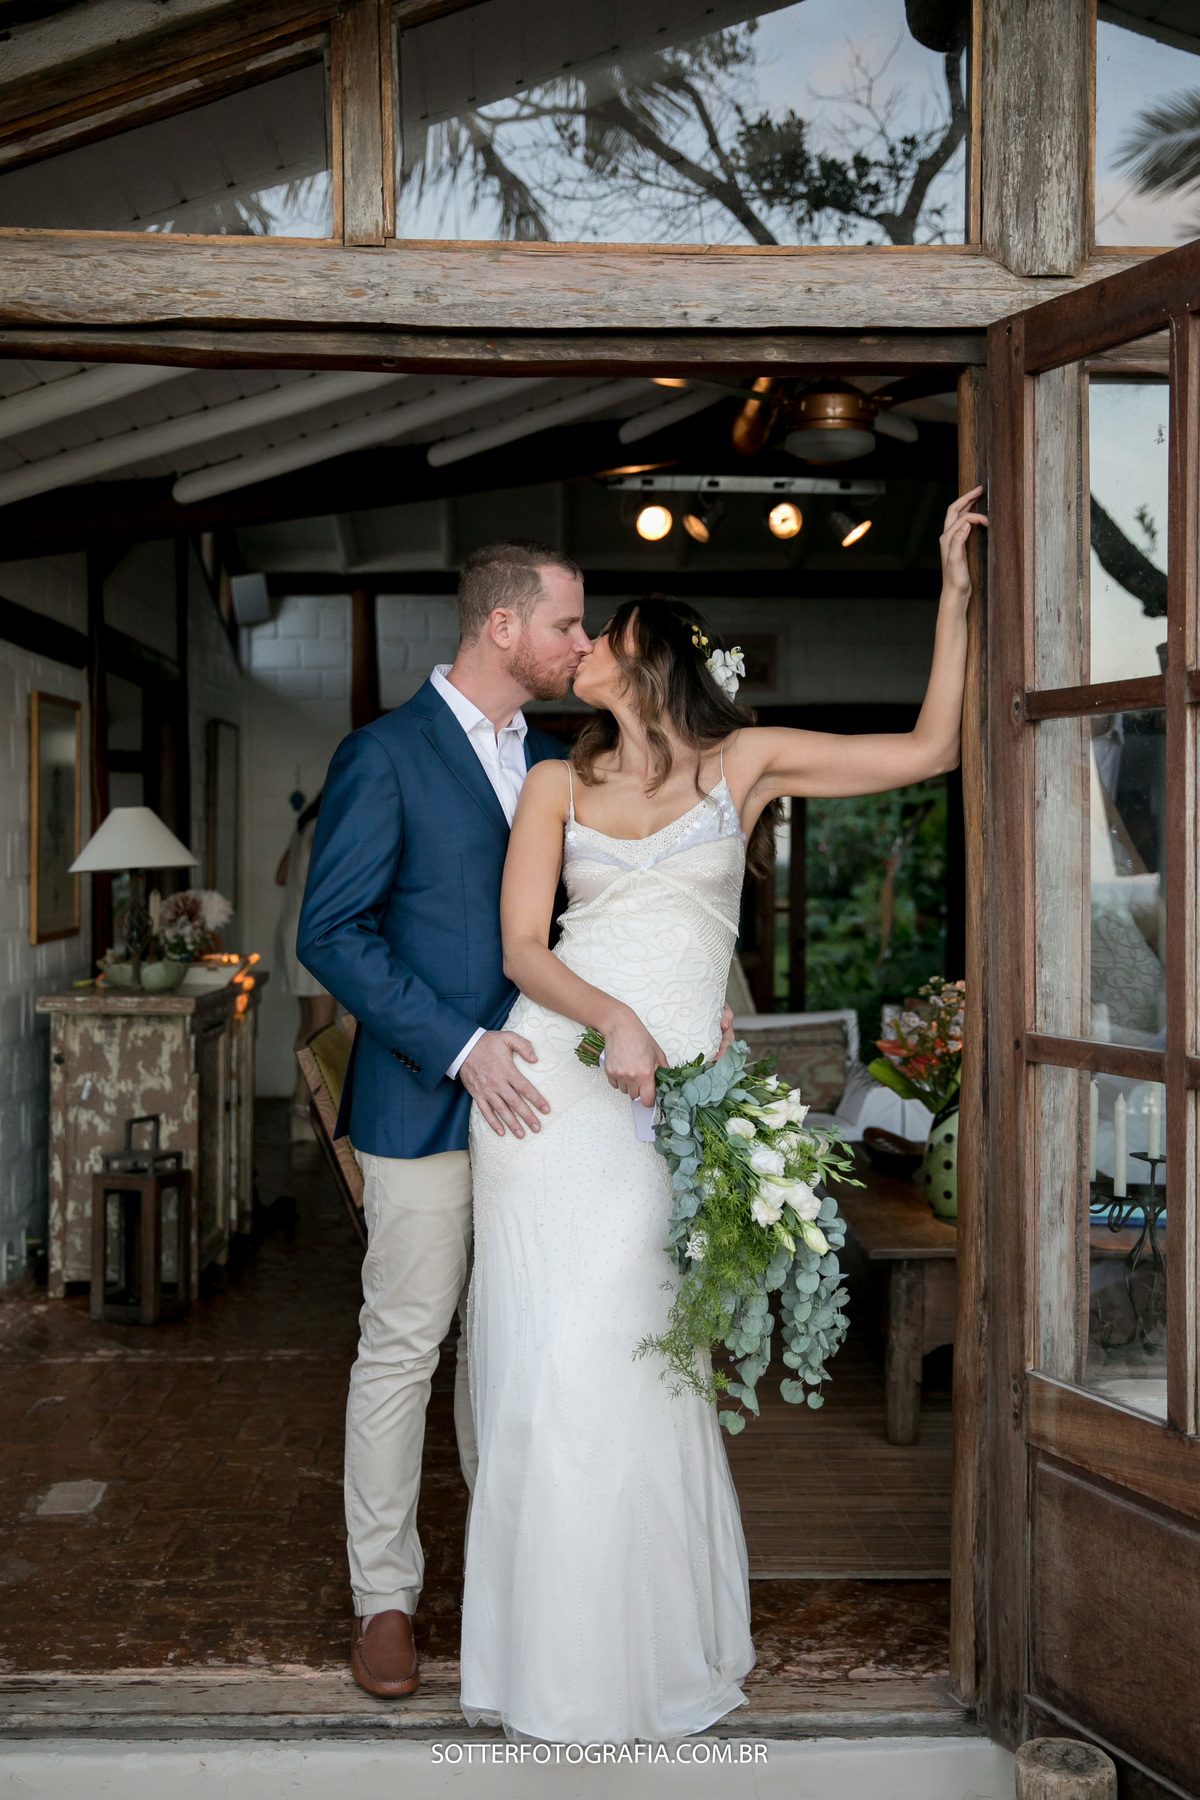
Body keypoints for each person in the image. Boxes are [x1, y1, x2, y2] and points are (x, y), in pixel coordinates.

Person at [459, 487, 987, 1744]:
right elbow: (524, 951)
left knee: (642, 1367)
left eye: (602, 632)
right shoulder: (549, 785)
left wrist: (956, 594)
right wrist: (615, 1023)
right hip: (553, 1100)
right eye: (571, 631)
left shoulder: (734, 768)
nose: (578, 646)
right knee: (550, 1373)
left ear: (652, 657)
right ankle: (551, 1671)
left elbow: (931, 750)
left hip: (667, 1119)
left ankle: (650, 1658)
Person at [296, 542, 591, 1699]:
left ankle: (513, 1588)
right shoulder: (382, 755)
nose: (581, 643)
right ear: (505, 628)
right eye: (568, 623)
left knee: (517, 1350)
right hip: (421, 1102)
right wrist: (461, 1048)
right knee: (406, 1347)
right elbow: (332, 934)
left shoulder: (563, 760)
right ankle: (384, 1597)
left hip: (548, 1115)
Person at [275, 791, 337, 1139]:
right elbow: (328, 881)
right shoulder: (322, 830)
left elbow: (281, 876)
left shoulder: (302, 830)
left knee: (309, 1026)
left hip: (291, 930)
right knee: (323, 1030)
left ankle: (300, 1107)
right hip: (314, 935)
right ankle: (310, 1111)